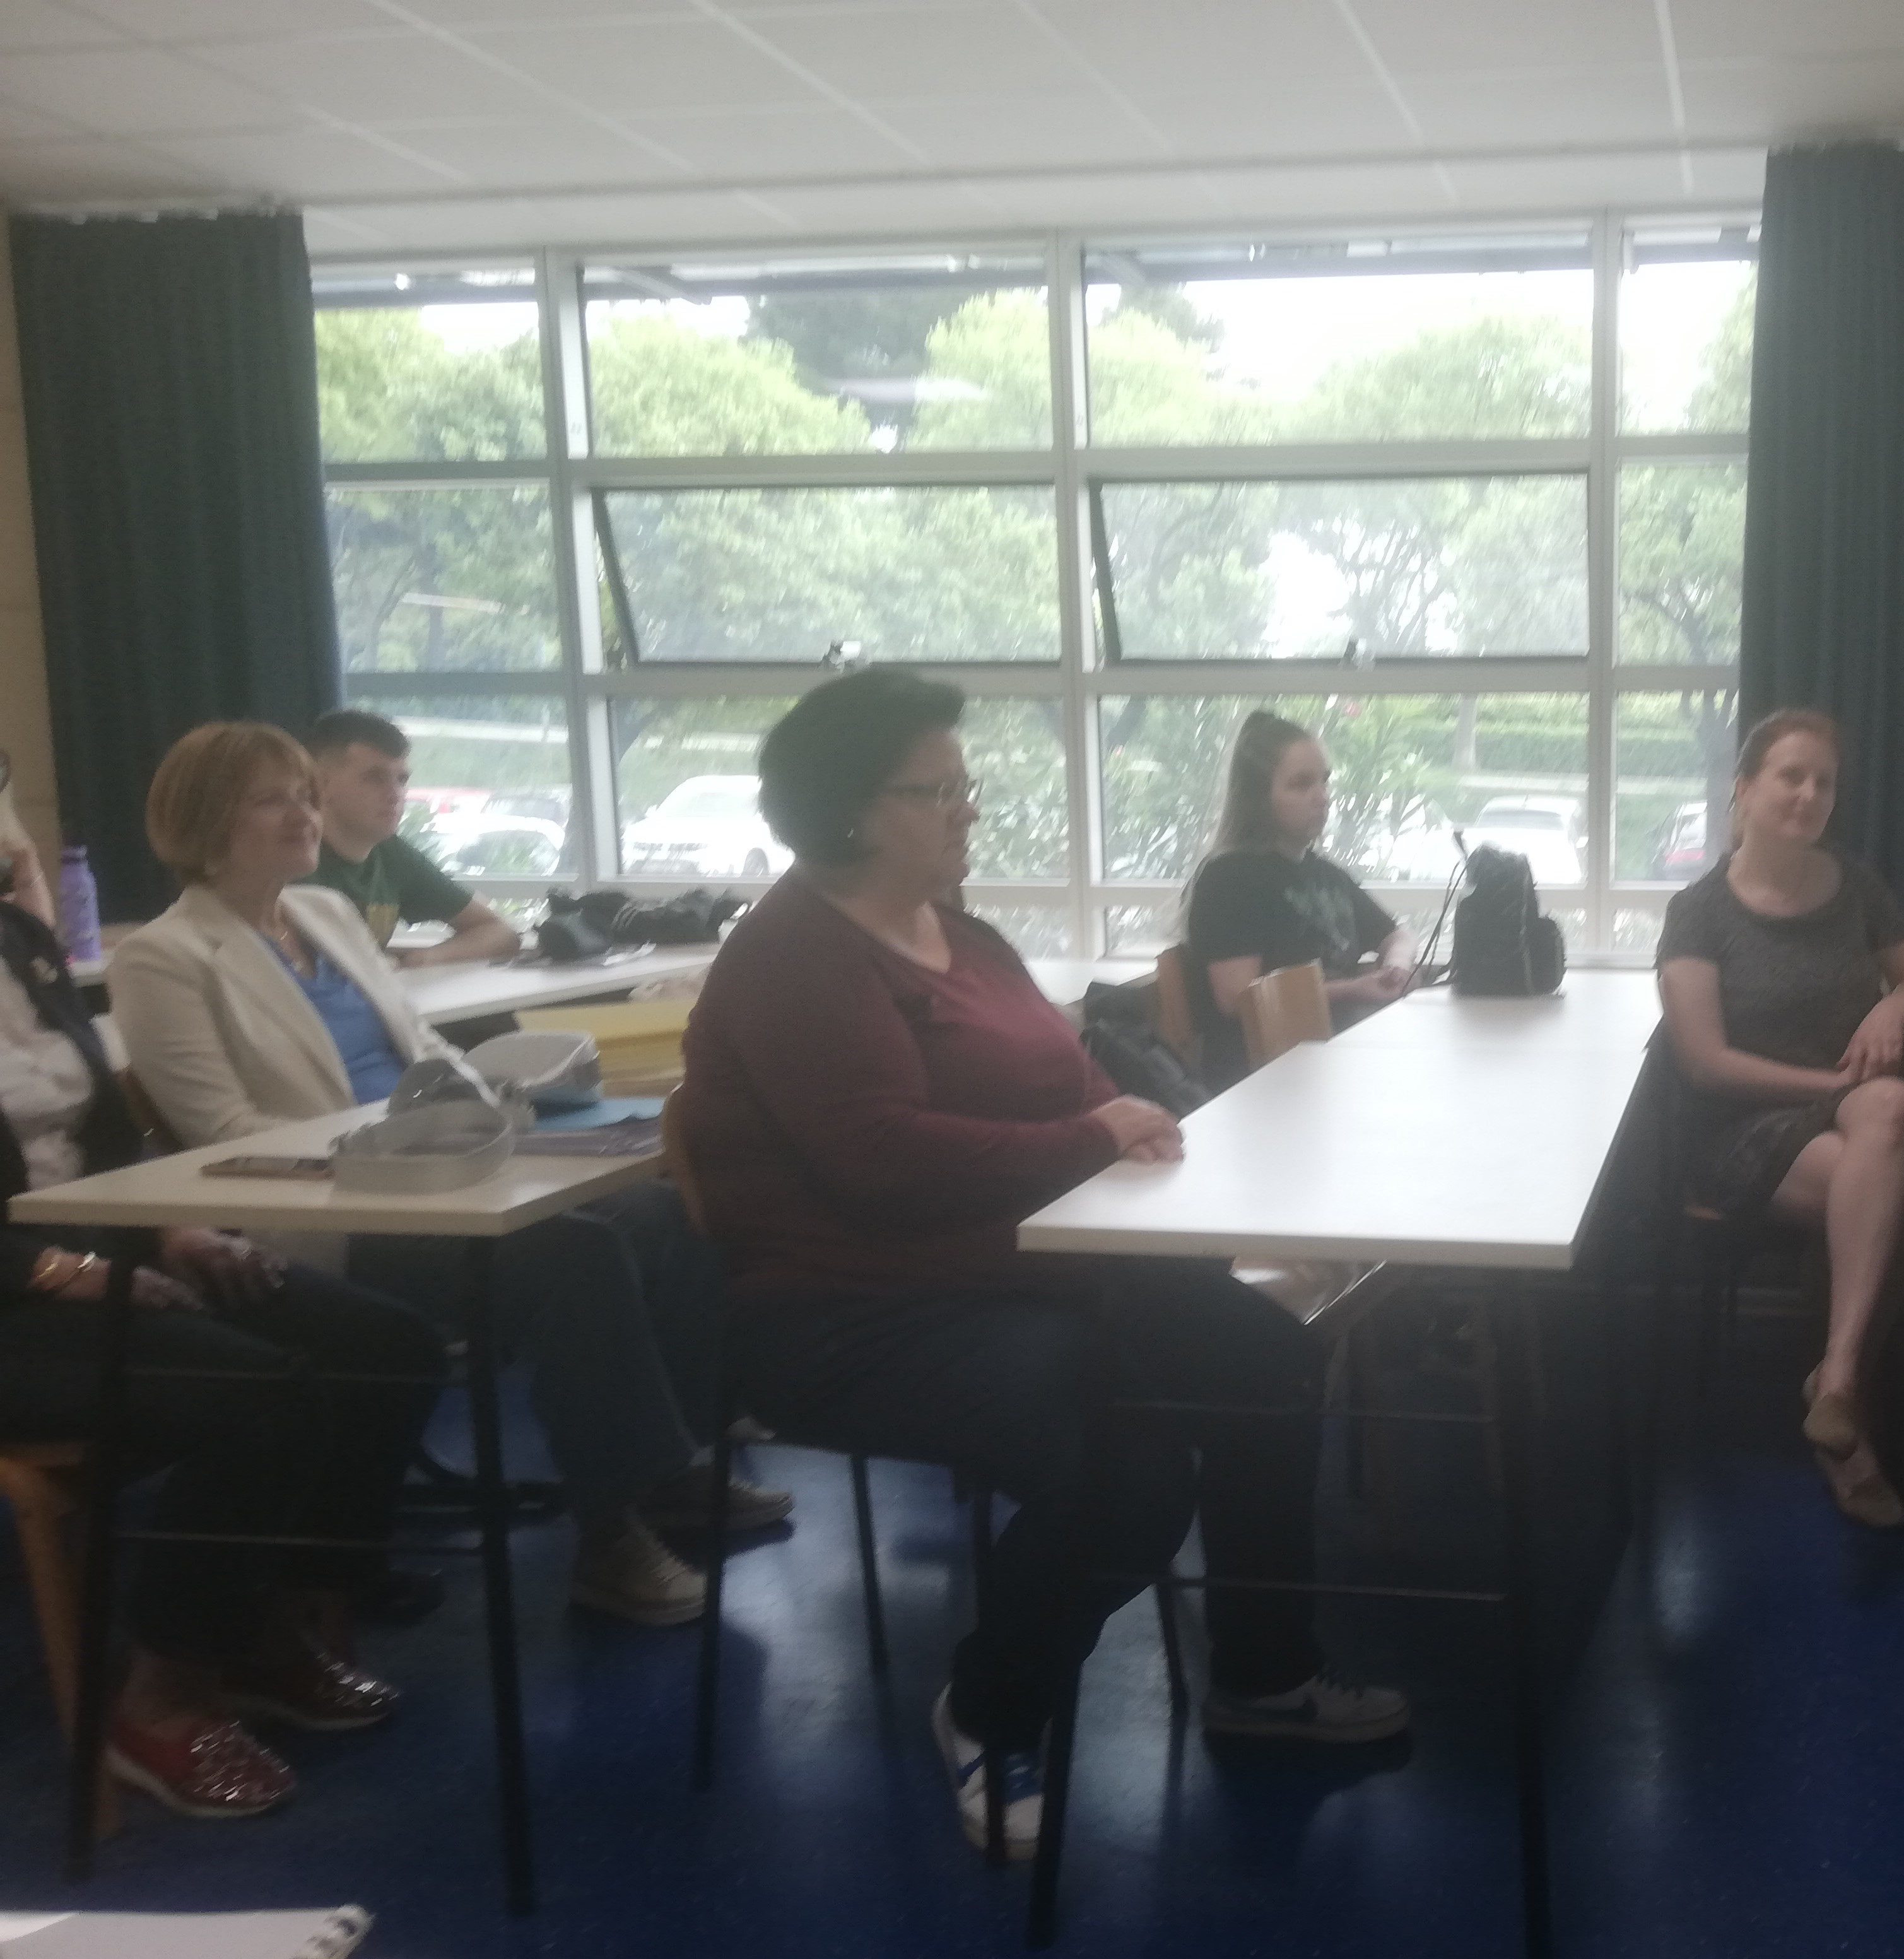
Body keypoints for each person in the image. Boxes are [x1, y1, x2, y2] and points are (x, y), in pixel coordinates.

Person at [681, 669, 1408, 1864]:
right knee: (1127, 1472)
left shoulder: (962, 936)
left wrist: (1126, 1125)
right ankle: (987, 1709)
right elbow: (879, 1164)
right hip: (853, 1312)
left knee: (1268, 1362)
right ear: (851, 809)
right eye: (938, 790)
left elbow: (1077, 1080)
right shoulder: (795, 956)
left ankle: (1265, 1676)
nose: (967, 807)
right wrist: (1089, 1140)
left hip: (1025, 1268)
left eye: (964, 785)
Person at [105, 722, 785, 1628]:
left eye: (306, 795)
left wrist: (492, 1116)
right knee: (574, 1257)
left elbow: (424, 1048)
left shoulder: (328, 913)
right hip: (333, 1209)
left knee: (666, 1213)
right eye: (273, 800)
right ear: (203, 822)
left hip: (448, 1161)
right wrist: (408, 1153)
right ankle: (611, 1535)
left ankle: (671, 1468)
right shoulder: (163, 957)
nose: (304, 814)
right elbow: (225, 1135)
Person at [0, 857, 446, 1818]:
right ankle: (161, 1696)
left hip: (103, 1247)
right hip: (17, 1300)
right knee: (261, 1395)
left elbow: (107, 1131)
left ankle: (271, 1628)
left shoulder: (22, 940)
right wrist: (62, 1272)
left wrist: (173, 1227)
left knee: (385, 1347)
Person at [1654, 710, 1904, 1529]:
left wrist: (1888, 1010)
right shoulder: (1699, 911)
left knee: (1895, 1106)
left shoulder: (1854, 884)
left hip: (1855, 1112)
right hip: (1743, 1125)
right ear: (1745, 788)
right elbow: (1704, 1063)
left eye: (1824, 782)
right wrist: (1824, 1086)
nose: (1809, 794)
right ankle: (1848, 1424)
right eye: (1790, 776)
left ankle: (1835, 1380)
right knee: (1901, 1195)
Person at [1182, 710, 1414, 1088]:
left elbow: (1396, 935)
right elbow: (1240, 998)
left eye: (1324, 781)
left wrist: (1396, 968)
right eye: (1301, 784)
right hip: (1264, 1081)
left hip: (1332, 1064)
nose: (1322, 797)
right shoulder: (1229, 878)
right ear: (1259, 797)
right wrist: (1355, 989)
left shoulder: (1325, 873)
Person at [303, 709, 522, 965]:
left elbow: (501, 933)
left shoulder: (391, 854)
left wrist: (421, 959)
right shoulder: (288, 855)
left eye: (402, 780)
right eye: (375, 779)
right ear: (320, 784)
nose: (395, 794)